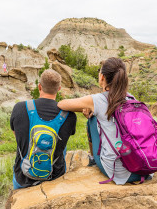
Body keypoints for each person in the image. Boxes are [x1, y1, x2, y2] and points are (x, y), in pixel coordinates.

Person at [58, 57, 149, 185]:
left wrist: (91, 108)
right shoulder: (131, 98)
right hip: (144, 168)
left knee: (92, 118)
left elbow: (62, 104)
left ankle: (93, 158)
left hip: (119, 172)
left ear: (102, 77)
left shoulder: (98, 100)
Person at [10, 69, 77, 189]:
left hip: (22, 178)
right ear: (59, 89)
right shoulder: (70, 116)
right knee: (62, 144)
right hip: (54, 178)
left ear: (39, 86)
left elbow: (17, 136)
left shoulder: (19, 108)